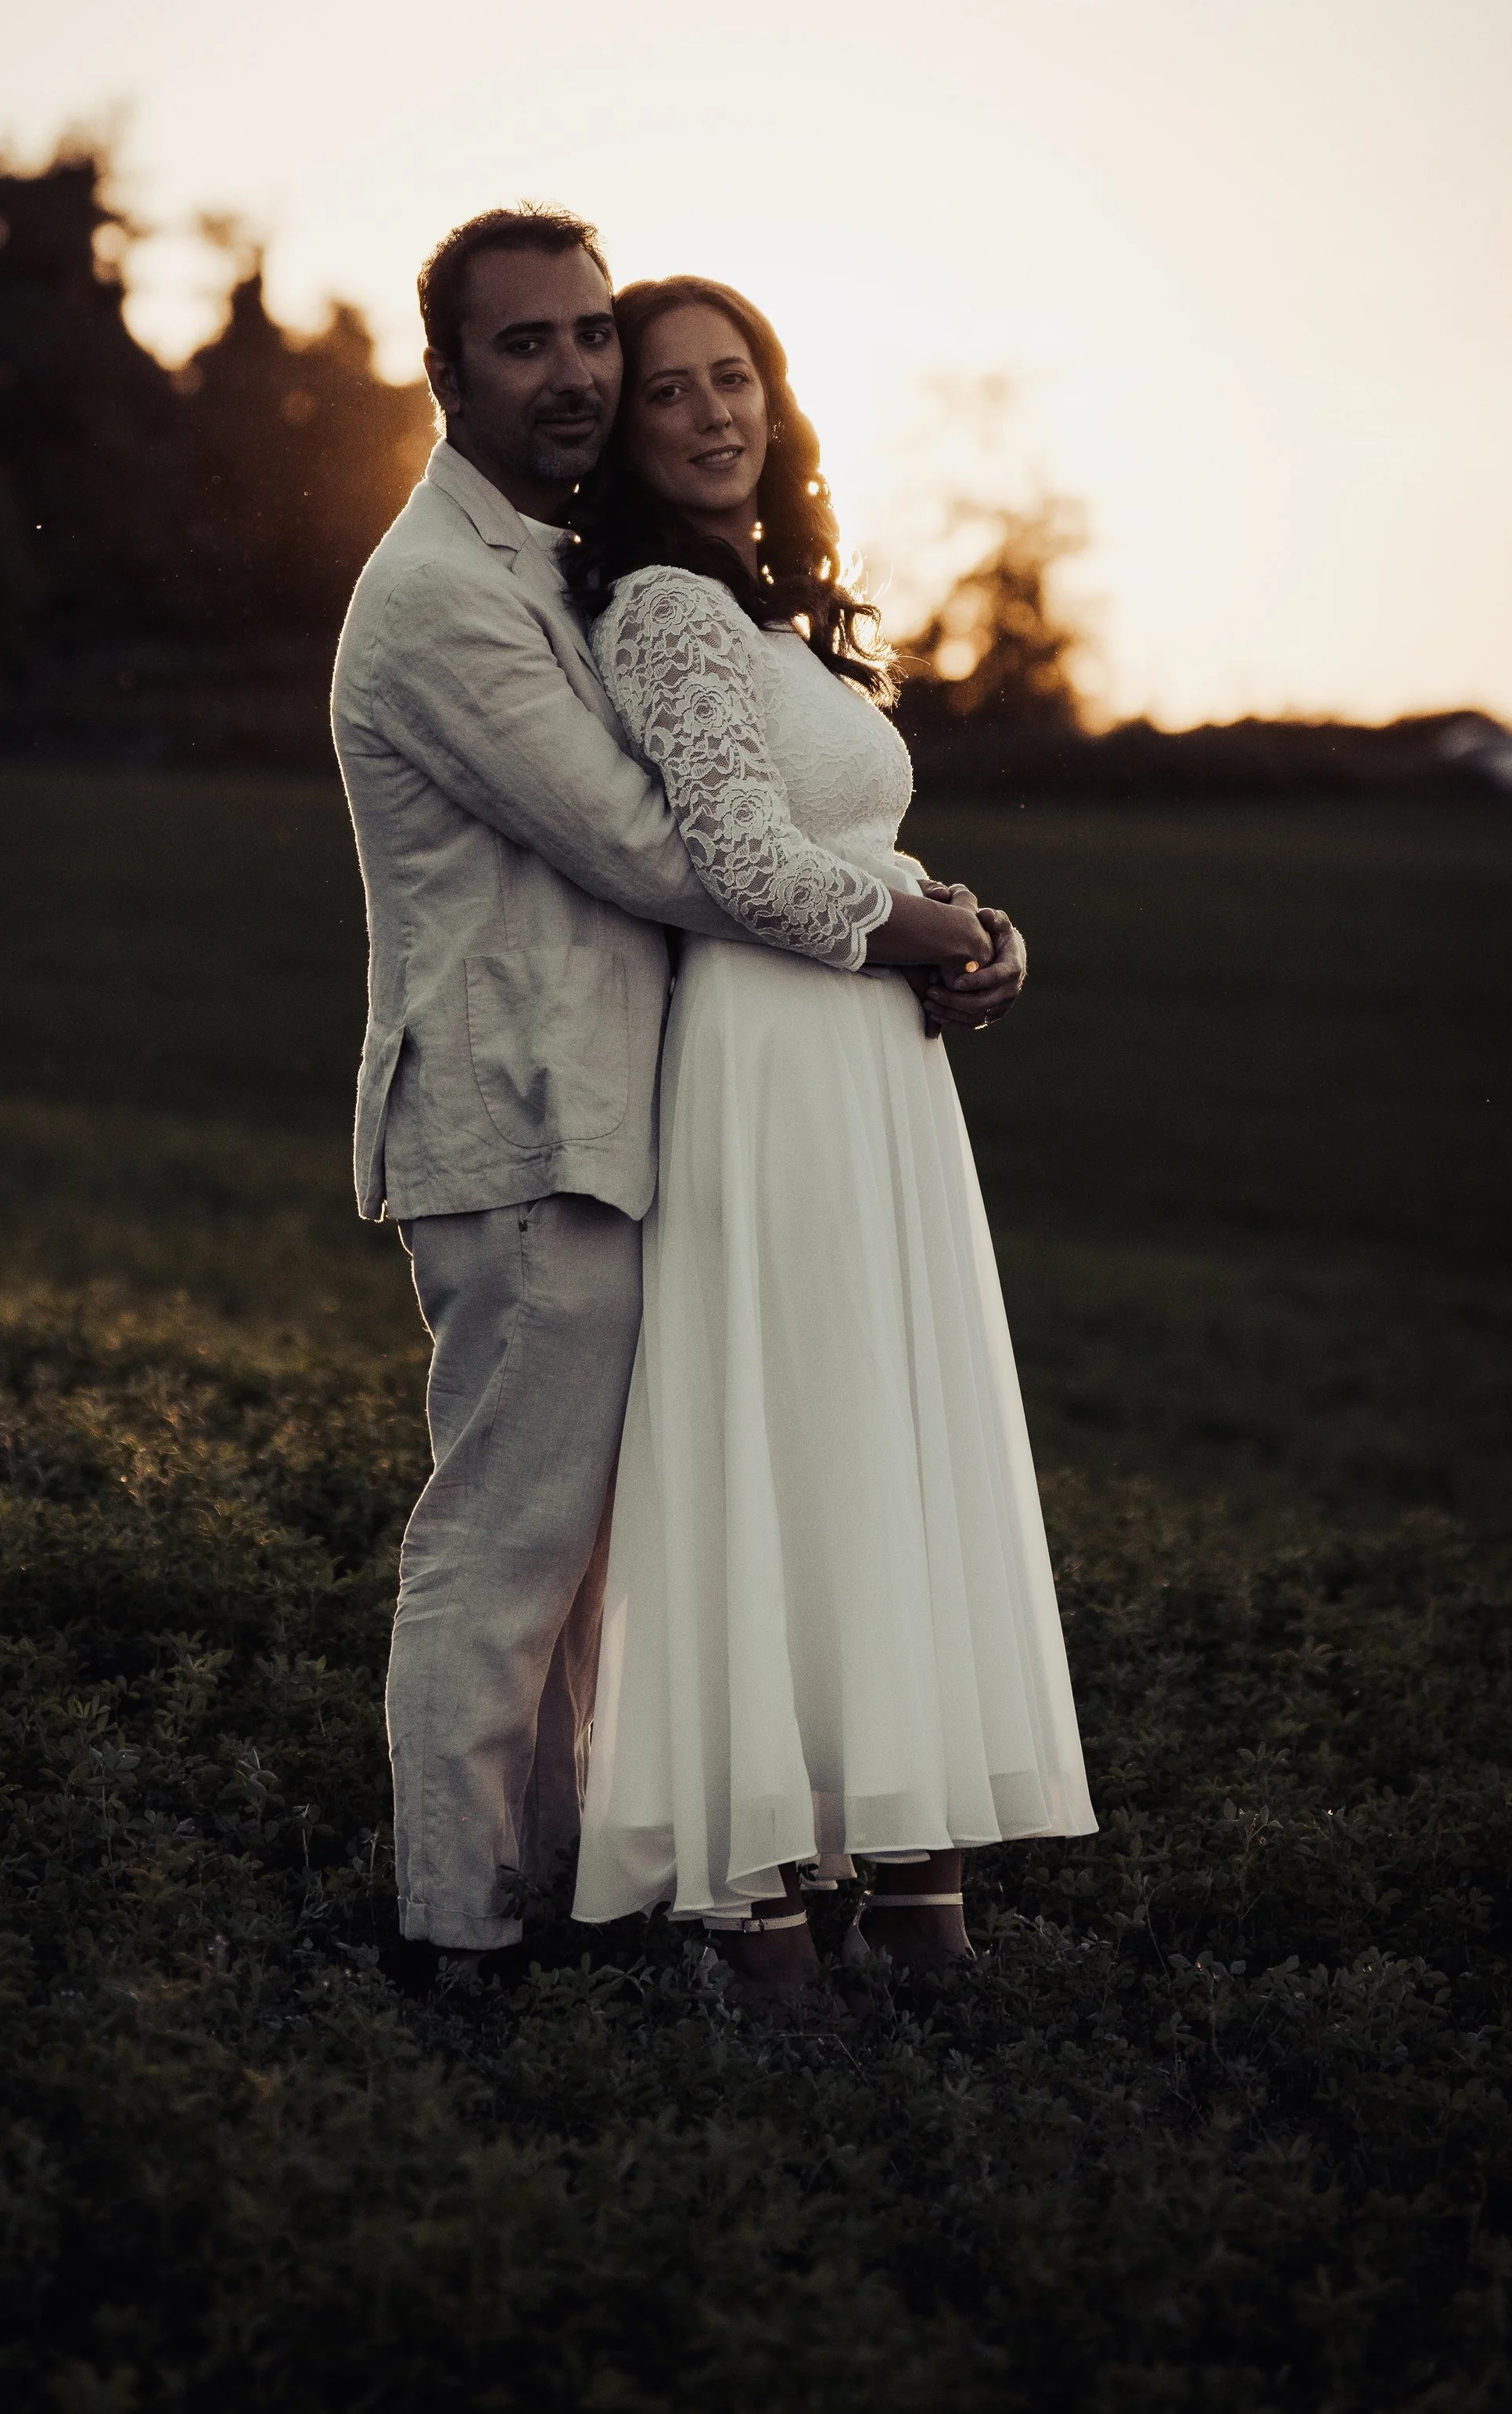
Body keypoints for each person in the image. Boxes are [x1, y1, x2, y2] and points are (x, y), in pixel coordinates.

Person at [330, 207, 1022, 1985]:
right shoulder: (433, 596)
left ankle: (571, 1894)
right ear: (443, 372)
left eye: (584, 338)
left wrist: (930, 920)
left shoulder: (558, 558)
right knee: (507, 1544)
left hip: (627, 1105)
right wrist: (917, 927)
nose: (568, 373)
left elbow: (770, 808)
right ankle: (457, 1941)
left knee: (599, 1547)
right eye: (525, 345)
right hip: (519, 1113)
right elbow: (657, 846)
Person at [567, 274, 1096, 2007]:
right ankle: (765, 1896)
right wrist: (913, 928)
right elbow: (732, 858)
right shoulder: (658, 608)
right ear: (625, 431)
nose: (716, 415)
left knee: (880, 1431)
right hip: (769, 1071)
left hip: (873, 1076)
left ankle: (913, 1878)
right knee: (787, 1434)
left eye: (738, 381)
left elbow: (847, 853)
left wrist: (970, 929)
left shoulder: (778, 618)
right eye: (671, 393)